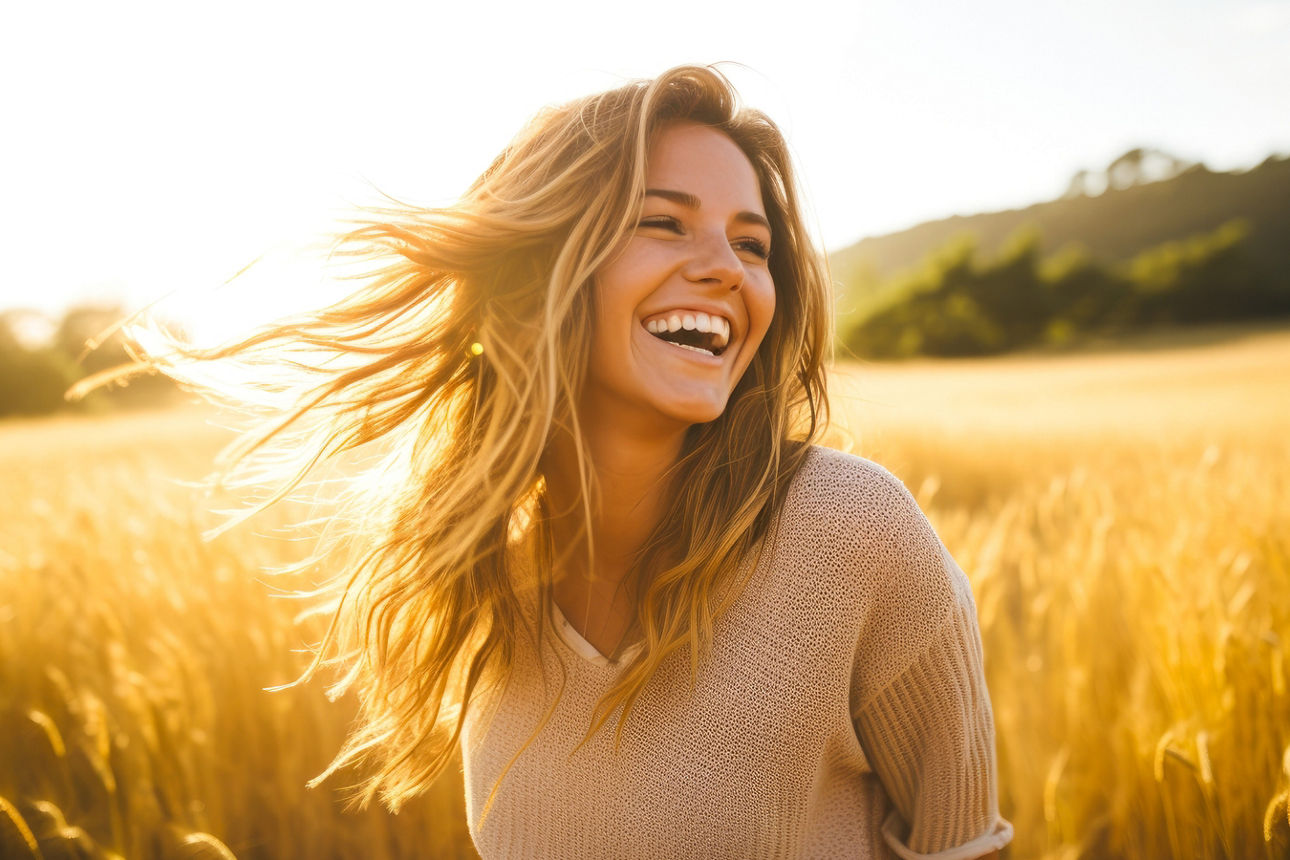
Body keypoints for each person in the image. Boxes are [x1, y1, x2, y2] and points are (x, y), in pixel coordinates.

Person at [138, 65, 1013, 859]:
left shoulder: (848, 532)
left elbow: (965, 847)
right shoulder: (488, 581)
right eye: (663, 223)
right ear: (540, 270)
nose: (725, 269)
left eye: (752, 245)